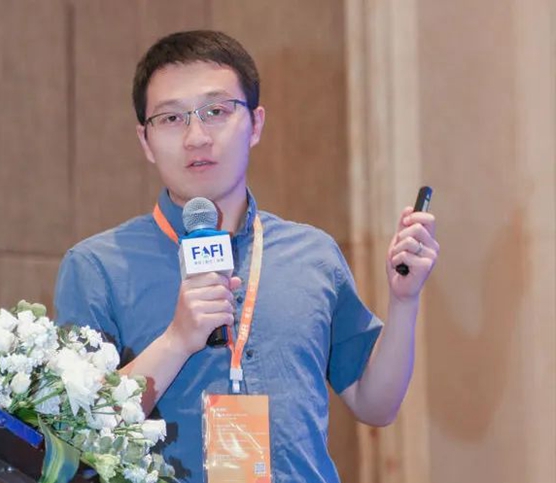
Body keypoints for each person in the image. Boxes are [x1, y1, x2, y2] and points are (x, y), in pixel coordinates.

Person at [55, 30, 438, 483]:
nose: (197, 136)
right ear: (145, 140)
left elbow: (377, 405)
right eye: (172, 118)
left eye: (216, 112)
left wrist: (404, 301)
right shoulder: (98, 267)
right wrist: (176, 341)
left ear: (255, 124)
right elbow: (74, 434)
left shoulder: (313, 255)